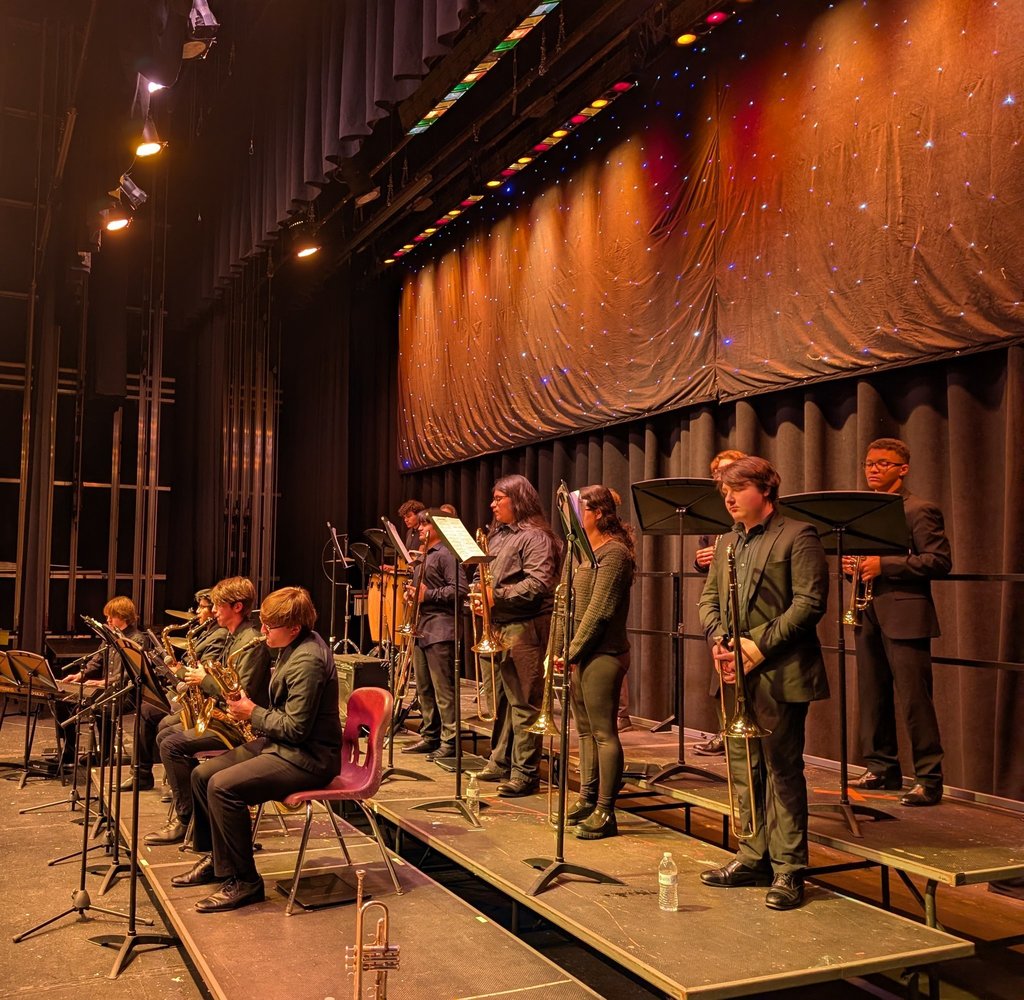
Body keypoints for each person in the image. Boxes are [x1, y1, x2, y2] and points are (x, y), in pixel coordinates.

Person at [697, 456, 829, 910]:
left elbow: (809, 603)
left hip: (780, 670)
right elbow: (709, 598)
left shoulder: (799, 535)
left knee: (782, 770)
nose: (729, 498)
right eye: (724, 491)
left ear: (765, 490)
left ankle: (790, 868)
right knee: (742, 770)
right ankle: (752, 856)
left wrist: (756, 647)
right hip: (734, 670)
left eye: (737, 489)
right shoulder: (727, 541)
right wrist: (719, 639)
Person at [169, 586, 341, 913]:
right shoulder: (293, 646)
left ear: (294, 627)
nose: (262, 632)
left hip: (308, 758)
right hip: (283, 745)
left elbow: (296, 728)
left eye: (269, 627)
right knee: (203, 774)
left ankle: (246, 882)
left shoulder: (308, 662)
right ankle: (219, 860)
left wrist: (252, 712)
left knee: (223, 787)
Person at [846, 437, 951, 807]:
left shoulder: (920, 509)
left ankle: (929, 778)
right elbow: (867, 562)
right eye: (869, 463)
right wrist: (855, 569)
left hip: (906, 615)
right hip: (868, 611)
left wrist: (883, 566)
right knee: (872, 697)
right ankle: (882, 768)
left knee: (914, 701)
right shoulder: (866, 510)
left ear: (902, 469)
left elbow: (938, 561)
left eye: (882, 464)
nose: (873, 469)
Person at [145, 577, 271, 845]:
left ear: (237, 607)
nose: (213, 611)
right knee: (166, 734)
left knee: (171, 745)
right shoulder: (235, 637)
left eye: (218, 605)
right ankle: (196, 814)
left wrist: (204, 680)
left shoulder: (250, 642)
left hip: (243, 727)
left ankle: (186, 818)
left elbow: (240, 692)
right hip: (222, 716)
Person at [550, 485, 635, 839]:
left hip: (603, 653)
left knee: (602, 732)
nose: (573, 516)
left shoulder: (615, 553)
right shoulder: (578, 549)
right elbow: (563, 603)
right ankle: (587, 796)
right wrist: (555, 651)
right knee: (583, 731)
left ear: (598, 513)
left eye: (580, 508)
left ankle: (606, 808)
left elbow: (599, 612)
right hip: (577, 652)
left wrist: (570, 652)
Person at [474, 475, 559, 797]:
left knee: (524, 702)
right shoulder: (496, 537)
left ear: (517, 500)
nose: (492, 505)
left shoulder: (535, 537)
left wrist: (498, 596)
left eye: (499, 499)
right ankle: (500, 759)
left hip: (526, 627)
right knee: (502, 702)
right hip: (499, 625)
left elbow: (538, 583)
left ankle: (525, 773)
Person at [692, 449, 746, 756]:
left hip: (742, 603)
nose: (720, 480)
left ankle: (738, 733)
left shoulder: (744, 516)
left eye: (727, 472)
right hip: (719, 605)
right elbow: (706, 567)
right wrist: (702, 561)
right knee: (719, 672)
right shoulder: (712, 520)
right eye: (716, 475)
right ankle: (724, 731)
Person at [400, 510, 467, 760]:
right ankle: (431, 736)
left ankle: (450, 742)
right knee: (425, 689)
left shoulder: (447, 554)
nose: (419, 528)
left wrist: (426, 595)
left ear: (438, 527)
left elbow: (459, 589)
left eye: (426, 524)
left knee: (443, 691)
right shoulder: (425, 556)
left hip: (441, 628)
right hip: (422, 628)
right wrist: (412, 594)